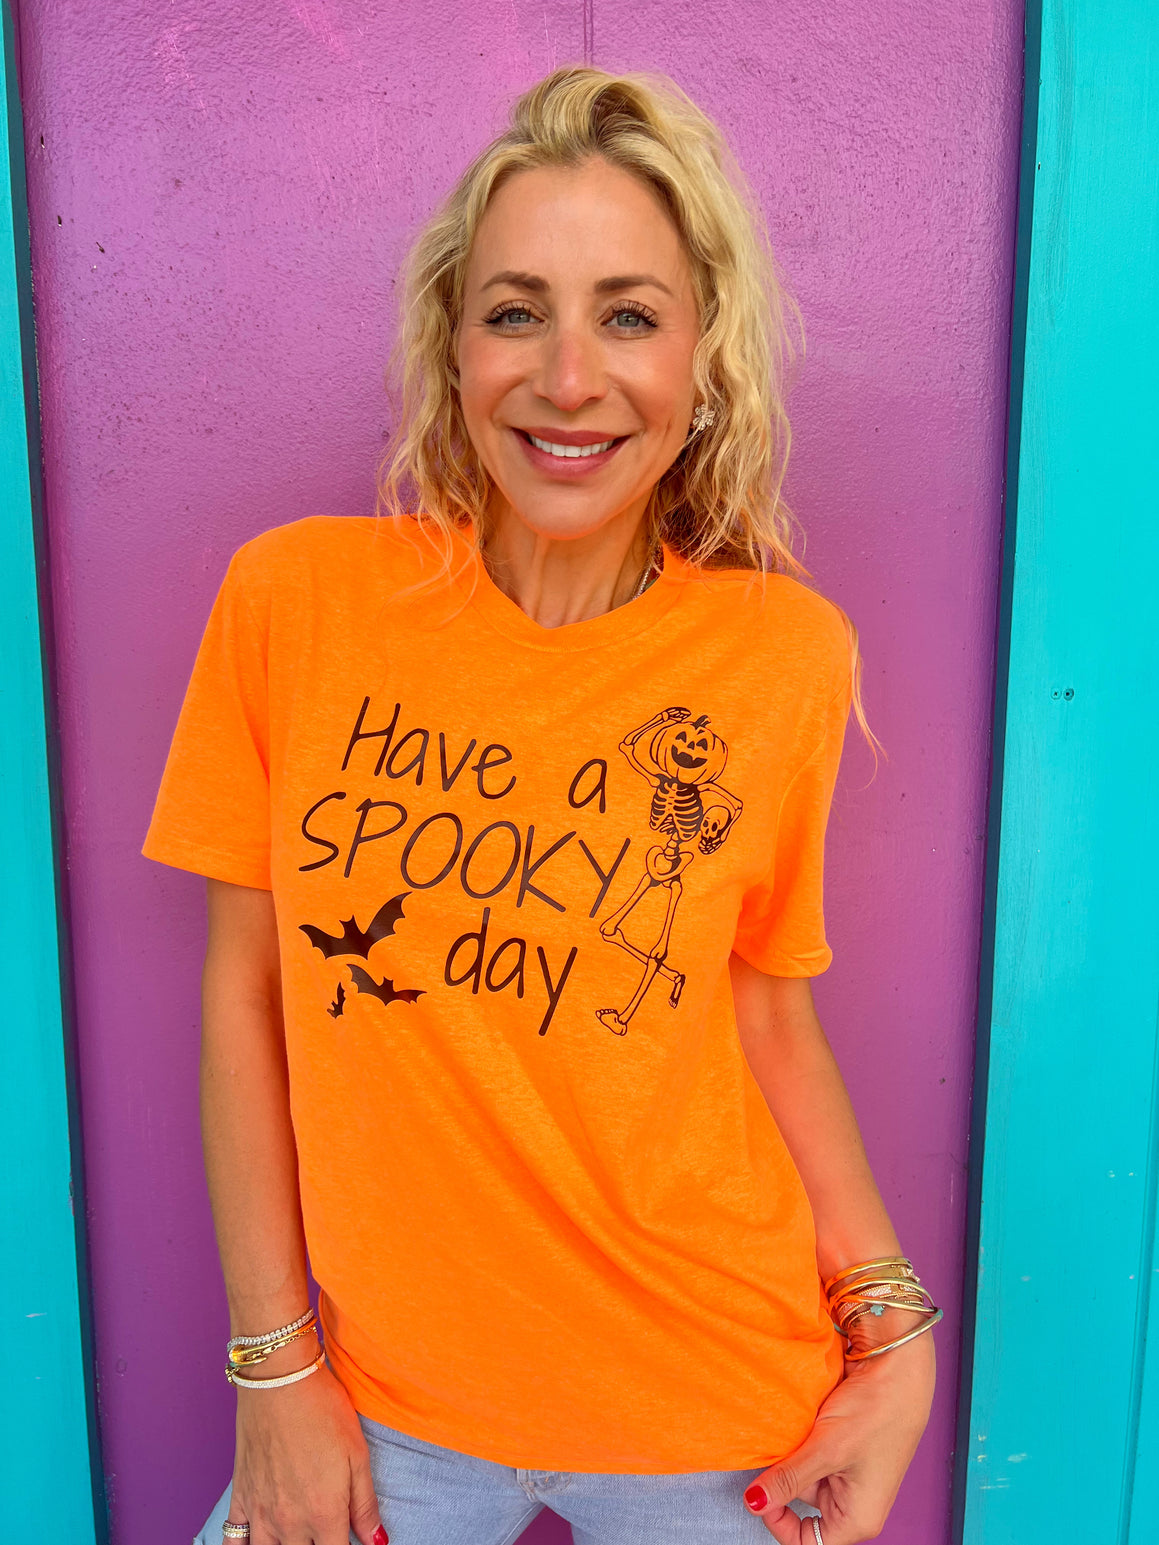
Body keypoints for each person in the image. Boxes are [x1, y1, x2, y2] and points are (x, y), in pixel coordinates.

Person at [144, 66, 937, 1545]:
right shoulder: (294, 603)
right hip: (387, 1407)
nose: (569, 377)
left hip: (716, 1409)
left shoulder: (783, 655)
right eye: (517, 310)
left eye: (629, 314)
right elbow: (243, 992)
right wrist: (276, 1369)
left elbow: (765, 1015)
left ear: (705, 359)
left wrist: (895, 1337)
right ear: (452, 345)